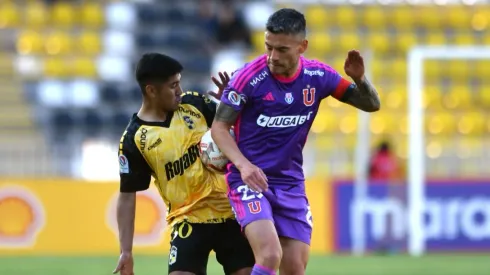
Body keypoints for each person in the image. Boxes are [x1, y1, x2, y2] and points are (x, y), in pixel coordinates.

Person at [211, 8, 380, 275]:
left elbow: (372, 104)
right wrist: (243, 166)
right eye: (269, 47)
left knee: (295, 268)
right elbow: (219, 128)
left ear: (302, 46)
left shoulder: (318, 77)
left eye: (282, 49)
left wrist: (359, 79)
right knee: (269, 255)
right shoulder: (248, 77)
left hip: (290, 183)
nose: (273, 57)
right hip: (249, 180)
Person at [113, 53, 254, 275]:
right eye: (173, 86)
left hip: (230, 211)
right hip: (188, 220)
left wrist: (233, 104)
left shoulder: (194, 104)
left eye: (179, 83)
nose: (180, 91)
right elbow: (127, 195)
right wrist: (126, 252)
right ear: (151, 90)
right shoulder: (134, 138)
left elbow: (239, 130)